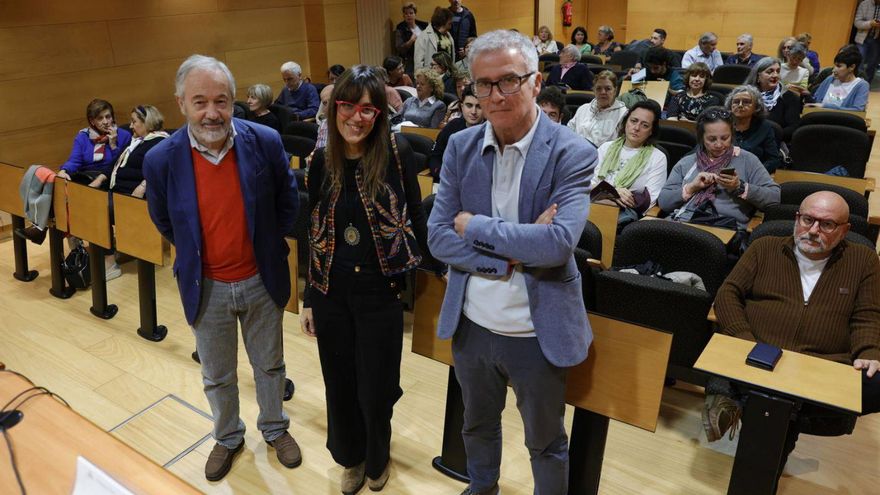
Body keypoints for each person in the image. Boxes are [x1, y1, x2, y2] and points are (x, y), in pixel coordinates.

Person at [427, 29, 595, 495]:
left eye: (508, 81)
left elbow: (557, 245)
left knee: (545, 444)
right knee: (476, 428)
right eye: (483, 85)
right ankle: (482, 489)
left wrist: (476, 226)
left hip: (535, 333)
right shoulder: (461, 146)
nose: (494, 96)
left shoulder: (571, 152)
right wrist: (509, 259)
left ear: (536, 82)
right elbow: (438, 237)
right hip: (473, 324)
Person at [143, 54, 301, 482]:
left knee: (270, 365)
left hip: (259, 279)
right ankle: (228, 437)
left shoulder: (265, 141)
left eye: (221, 101)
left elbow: (288, 204)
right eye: (200, 102)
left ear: (233, 101)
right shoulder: (160, 160)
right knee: (217, 374)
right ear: (181, 104)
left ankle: (274, 428)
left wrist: (268, 246)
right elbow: (164, 220)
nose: (212, 113)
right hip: (205, 284)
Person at [299, 65, 428, 495]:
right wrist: (310, 298)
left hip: (381, 290)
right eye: (348, 106)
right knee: (339, 382)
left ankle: (377, 457)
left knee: (376, 387)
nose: (357, 117)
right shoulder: (319, 161)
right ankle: (350, 458)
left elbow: (416, 214)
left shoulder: (396, 153)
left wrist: (430, 276)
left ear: (379, 115)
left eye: (368, 110)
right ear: (335, 109)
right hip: (332, 290)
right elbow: (312, 232)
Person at [710, 191, 880, 486]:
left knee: (776, 407)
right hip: (759, 354)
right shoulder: (765, 248)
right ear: (797, 218)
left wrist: (868, 350)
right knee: (774, 408)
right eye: (807, 220)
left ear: (845, 230)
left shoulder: (863, 259)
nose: (813, 230)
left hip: (821, 365)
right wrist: (743, 340)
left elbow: (867, 313)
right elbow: (728, 293)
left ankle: (743, 408)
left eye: (826, 225)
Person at [658, 107, 780, 230]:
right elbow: (664, 202)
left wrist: (740, 187)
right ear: (701, 138)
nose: (719, 144)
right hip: (683, 222)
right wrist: (691, 188)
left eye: (724, 138)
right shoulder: (687, 162)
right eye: (712, 139)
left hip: (724, 228)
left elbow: (774, 198)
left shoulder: (747, 160)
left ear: (732, 135)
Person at [592, 100, 667, 221]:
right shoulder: (605, 147)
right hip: (594, 203)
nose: (636, 128)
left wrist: (614, 197)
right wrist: (613, 193)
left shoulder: (658, 157)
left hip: (625, 212)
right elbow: (589, 183)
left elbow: (650, 200)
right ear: (626, 121)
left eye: (645, 125)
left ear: (651, 131)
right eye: (633, 121)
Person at [57, 99, 132, 185]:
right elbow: (74, 161)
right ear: (92, 121)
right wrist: (63, 171)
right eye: (100, 118)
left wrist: (113, 145)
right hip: (87, 179)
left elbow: (123, 166)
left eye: (108, 117)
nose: (105, 122)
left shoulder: (124, 135)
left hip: (112, 179)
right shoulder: (83, 137)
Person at [108, 105, 168, 198]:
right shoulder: (135, 141)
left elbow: (161, 171)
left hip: (133, 196)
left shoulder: (159, 142)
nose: (130, 126)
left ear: (147, 122)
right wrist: (100, 179)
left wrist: (143, 187)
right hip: (117, 191)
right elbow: (115, 163)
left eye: (134, 121)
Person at [429, 85, 484, 178]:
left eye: (479, 106)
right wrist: (443, 174)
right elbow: (435, 157)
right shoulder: (452, 126)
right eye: (469, 105)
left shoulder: (492, 131)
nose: (473, 111)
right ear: (462, 107)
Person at [725, 85, 783, 173]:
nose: (740, 105)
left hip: (753, 176)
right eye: (736, 102)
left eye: (746, 102)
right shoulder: (721, 125)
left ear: (756, 107)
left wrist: (756, 173)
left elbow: (773, 159)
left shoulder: (765, 127)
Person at [747, 57, 802, 142]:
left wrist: (766, 138)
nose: (775, 75)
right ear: (758, 76)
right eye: (770, 72)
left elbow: (792, 129)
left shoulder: (789, 98)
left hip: (775, 142)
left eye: (778, 71)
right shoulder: (745, 95)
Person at [567, 70, 628, 147]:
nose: (603, 92)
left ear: (615, 91)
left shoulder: (623, 114)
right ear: (594, 90)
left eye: (608, 89)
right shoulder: (583, 109)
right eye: (598, 88)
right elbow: (568, 132)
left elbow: (621, 145)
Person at [395, 2, 429, 75]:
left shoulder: (423, 26)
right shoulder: (401, 28)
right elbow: (400, 48)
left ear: (415, 14)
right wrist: (411, 41)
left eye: (411, 13)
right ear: (403, 15)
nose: (409, 15)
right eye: (406, 13)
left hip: (425, 58)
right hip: (410, 61)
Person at [854, 0, 880, 84]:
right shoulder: (865, 4)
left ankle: (866, 84)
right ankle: (857, 83)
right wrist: (870, 23)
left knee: (873, 63)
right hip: (862, 39)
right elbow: (857, 23)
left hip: (877, 39)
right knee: (859, 61)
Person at [316, 84, 334, 149]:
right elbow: (317, 149)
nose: (328, 106)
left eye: (331, 101)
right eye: (325, 103)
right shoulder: (324, 123)